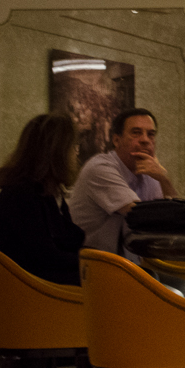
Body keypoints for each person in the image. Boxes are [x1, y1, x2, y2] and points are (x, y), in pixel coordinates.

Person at [0, 113, 86, 286]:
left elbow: (68, 240)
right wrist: (92, 263)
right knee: (110, 283)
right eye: (73, 146)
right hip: (29, 289)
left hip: (37, 282)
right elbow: (45, 257)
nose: (76, 153)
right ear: (57, 152)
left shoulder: (46, 192)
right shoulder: (21, 196)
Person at [70, 108, 178, 257]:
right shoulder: (100, 168)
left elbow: (176, 218)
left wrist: (164, 178)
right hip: (92, 263)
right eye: (136, 133)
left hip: (136, 262)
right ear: (116, 140)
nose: (145, 140)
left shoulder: (152, 173)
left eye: (151, 134)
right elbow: (140, 215)